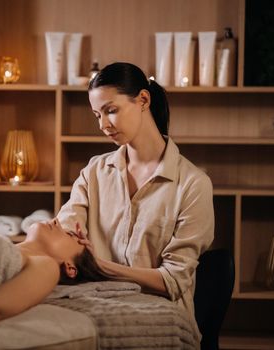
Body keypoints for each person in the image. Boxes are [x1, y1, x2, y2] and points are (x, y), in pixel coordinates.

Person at [57, 62, 214, 337]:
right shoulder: (94, 172)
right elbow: (65, 231)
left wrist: (101, 266)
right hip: (97, 310)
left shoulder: (193, 185)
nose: (103, 125)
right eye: (97, 115)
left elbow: (172, 281)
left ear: (143, 99)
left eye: (111, 111)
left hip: (162, 324)